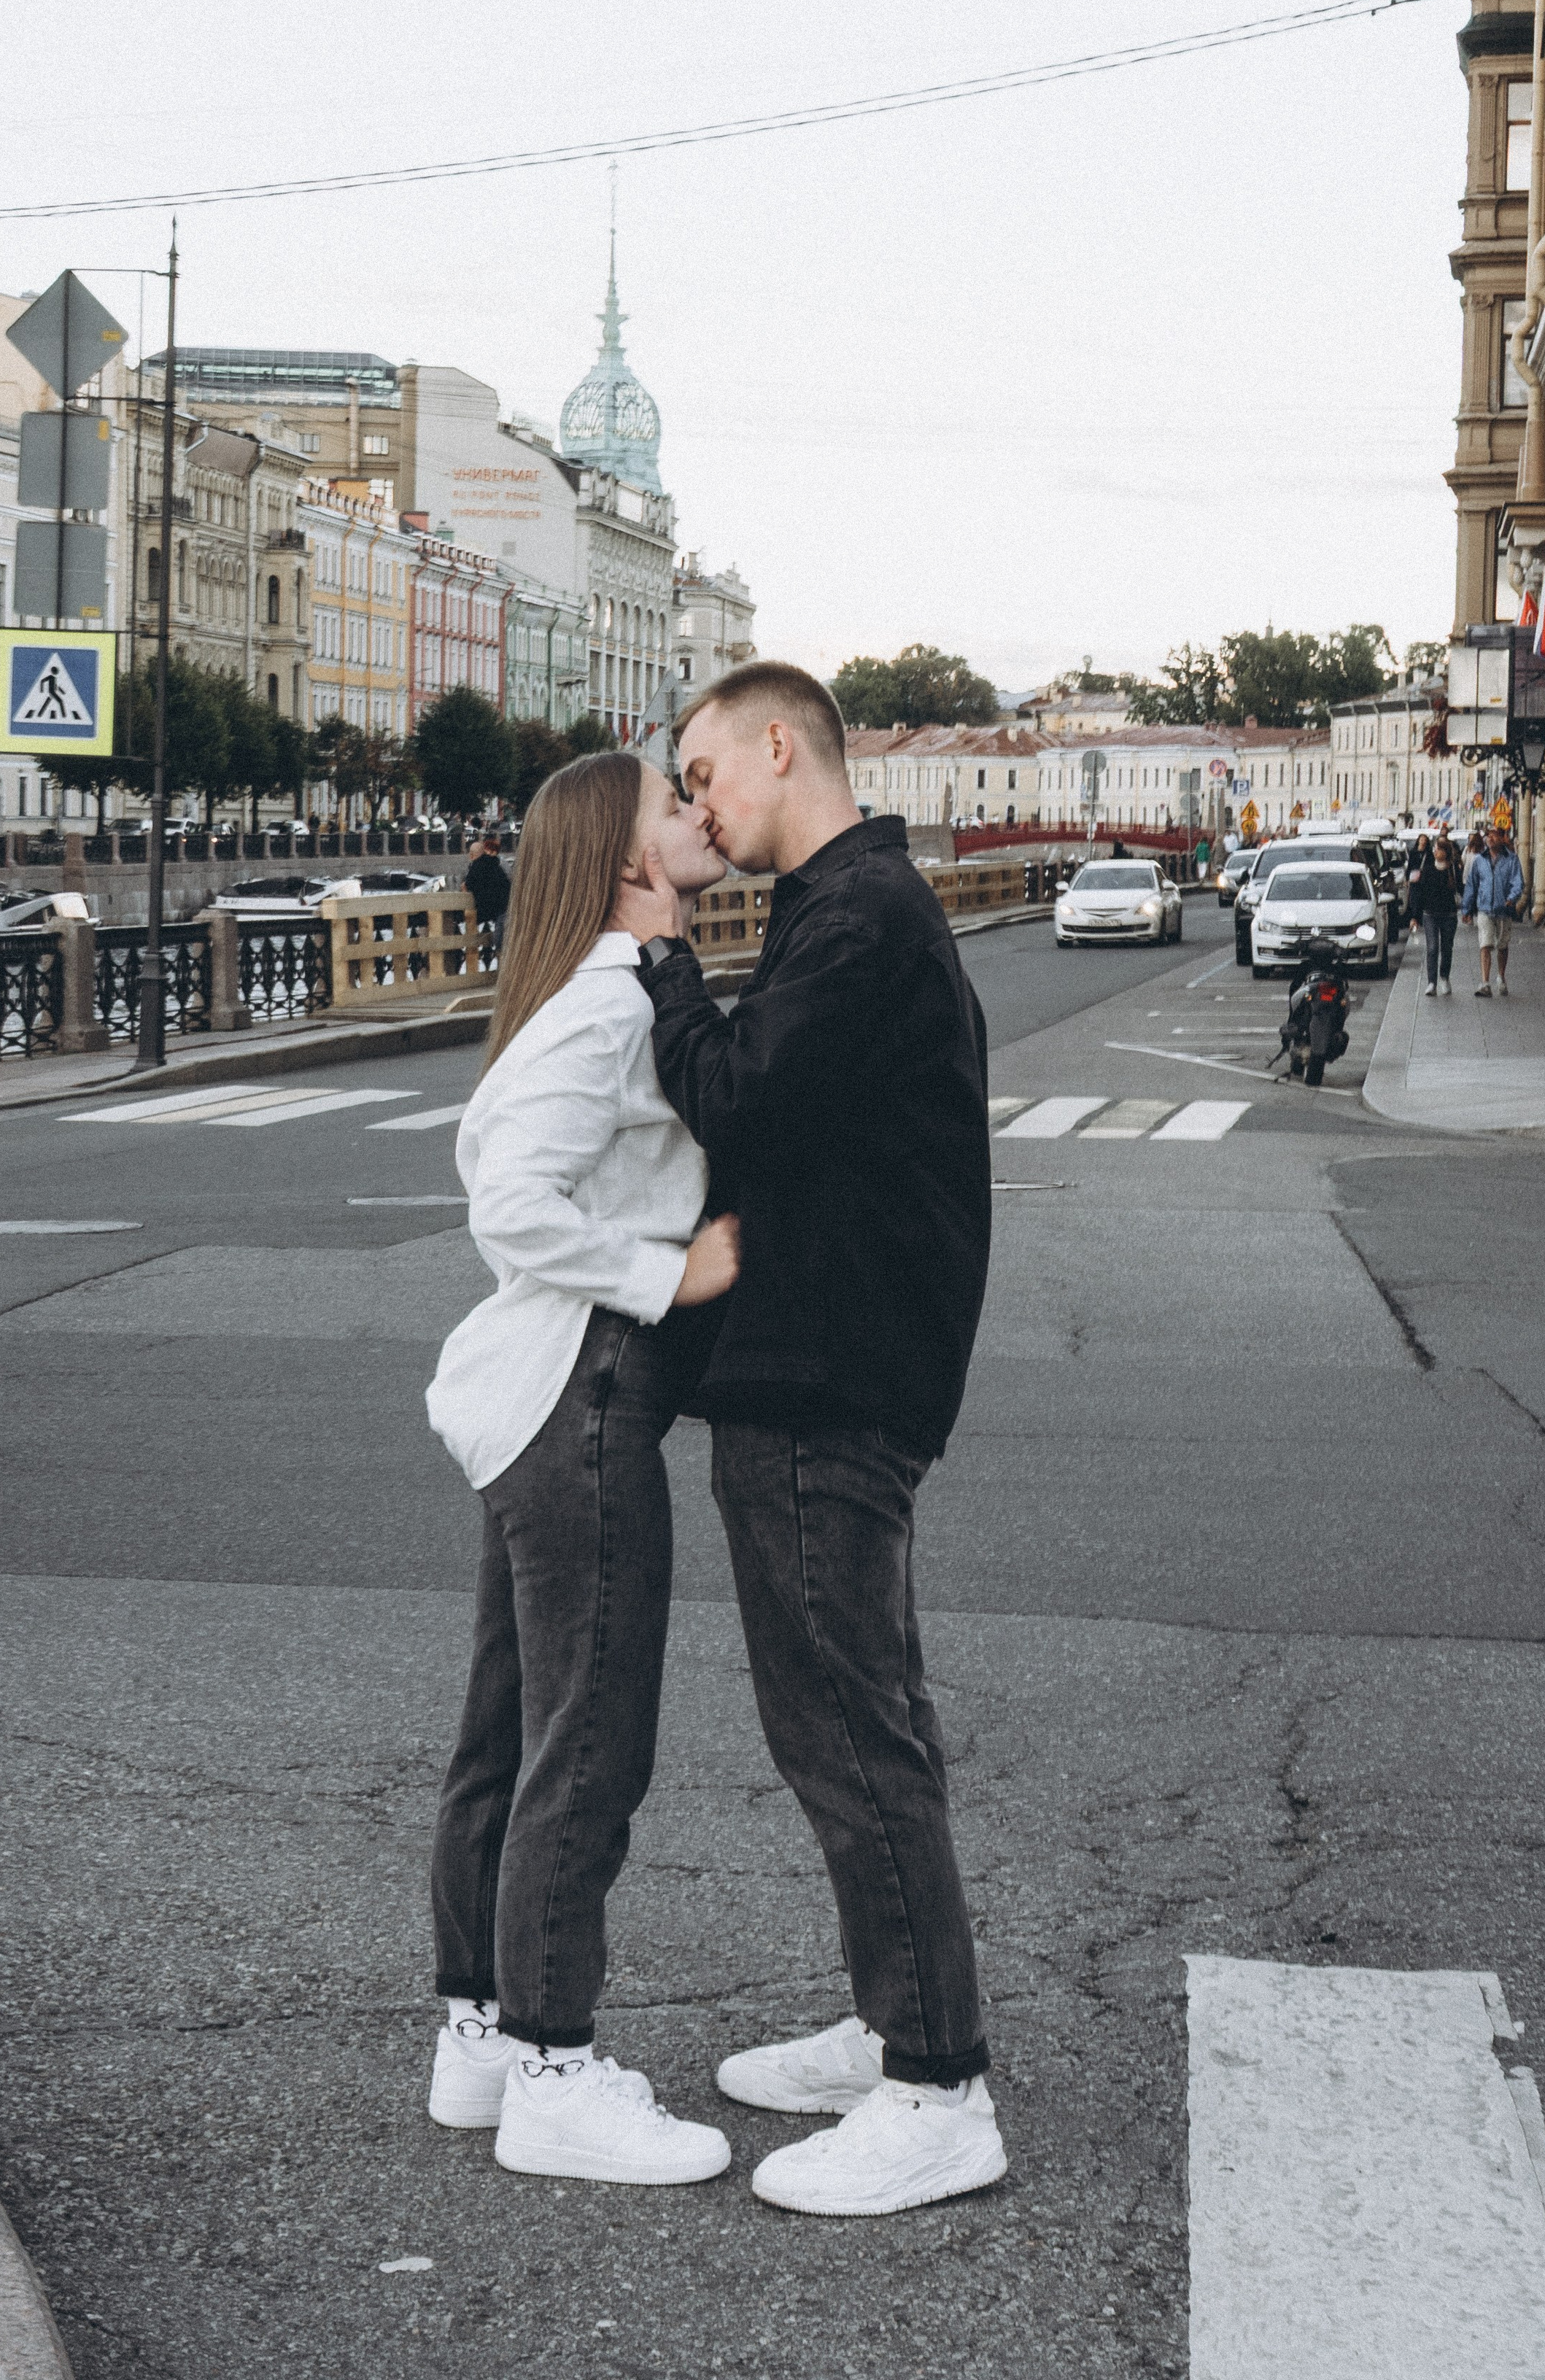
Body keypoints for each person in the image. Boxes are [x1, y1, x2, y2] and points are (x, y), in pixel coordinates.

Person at [616, 660, 1006, 2220]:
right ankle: (892, 2023)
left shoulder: (853, 918)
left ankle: (932, 2088)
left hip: (825, 1374)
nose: (697, 806)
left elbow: (738, 1097)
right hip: (835, 1360)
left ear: (780, 746)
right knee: (857, 1718)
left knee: (845, 1734)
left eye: (705, 774)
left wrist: (658, 959)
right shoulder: (851, 906)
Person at [424, 752, 740, 2187]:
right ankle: (554, 2066)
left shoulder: (576, 994)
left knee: (508, 1734)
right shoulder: (615, 1000)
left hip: (538, 1404)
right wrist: (665, 1275)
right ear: (622, 859)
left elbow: (479, 1151)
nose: (702, 818)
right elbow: (509, 1201)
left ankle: (481, 2038)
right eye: (676, 809)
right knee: (588, 1740)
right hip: (583, 1400)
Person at [1463, 824, 1524, 996]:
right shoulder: (1480, 861)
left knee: (1502, 945)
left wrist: (1512, 898)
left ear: (1502, 838)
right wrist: (1467, 909)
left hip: (1504, 909)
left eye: (1494, 835)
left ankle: (1501, 977)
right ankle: (1485, 983)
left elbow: (1518, 883)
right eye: (1488, 835)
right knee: (1485, 945)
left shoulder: (1511, 859)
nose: (1490, 838)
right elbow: (1472, 885)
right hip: (1485, 909)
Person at [1410, 831, 1460, 998]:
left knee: (1447, 948)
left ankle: (1444, 978)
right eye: (1435, 849)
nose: (1434, 852)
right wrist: (1415, 917)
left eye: (1438, 849)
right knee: (1432, 948)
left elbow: (1461, 889)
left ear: (1445, 852)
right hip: (1430, 914)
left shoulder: (1452, 870)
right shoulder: (1428, 870)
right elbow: (1419, 893)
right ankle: (1432, 983)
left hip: (1449, 915)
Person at [463, 832, 511, 969]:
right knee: (505, 942)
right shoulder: (497, 863)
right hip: (508, 906)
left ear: (472, 855)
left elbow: (469, 885)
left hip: (502, 910)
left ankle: (505, 975)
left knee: (501, 943)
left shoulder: (477, 867)